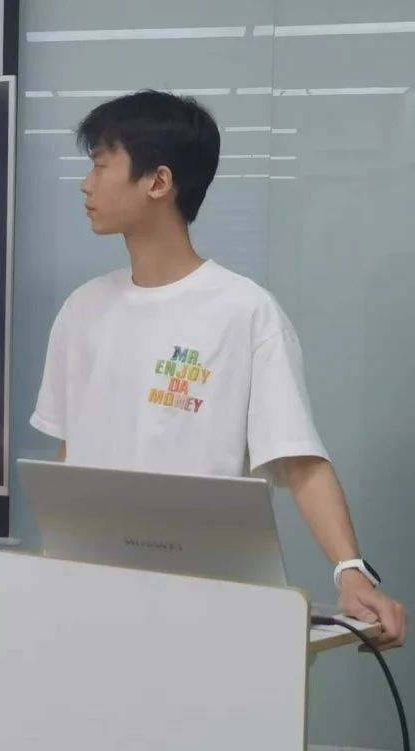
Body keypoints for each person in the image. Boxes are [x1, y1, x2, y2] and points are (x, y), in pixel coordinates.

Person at [30, 90, 406, 649]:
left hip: (209, 610)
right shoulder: (82, 310)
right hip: (91, 602)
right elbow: (71, 457)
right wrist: (46, 569)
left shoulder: (243, 311)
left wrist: (350, 570)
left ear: (158, 182)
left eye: (101, 165)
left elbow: (300, 459)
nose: (86, 184)